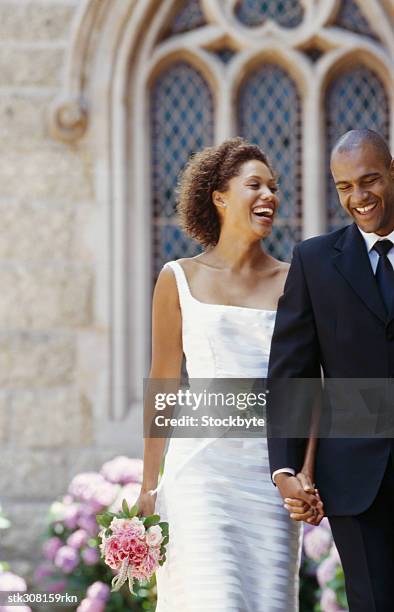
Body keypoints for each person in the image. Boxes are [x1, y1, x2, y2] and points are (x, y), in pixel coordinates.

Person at [136, 138, 320, 611]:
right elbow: (163, 386)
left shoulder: (295, 280)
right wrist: (148, 486)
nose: (269, 196)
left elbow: (310, 388)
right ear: (219, 197)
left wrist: (304, 473)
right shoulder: (177, 277)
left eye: (274, 187)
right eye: (254, 184)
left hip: (270, 481)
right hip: (201, 476)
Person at [267, 129, 394, 611]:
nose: (358, 198)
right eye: (344, 187)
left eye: (370, 181)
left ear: (392, 172)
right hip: (356, 478)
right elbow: (292, 371)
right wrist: (286, 464)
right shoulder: (315, 261)